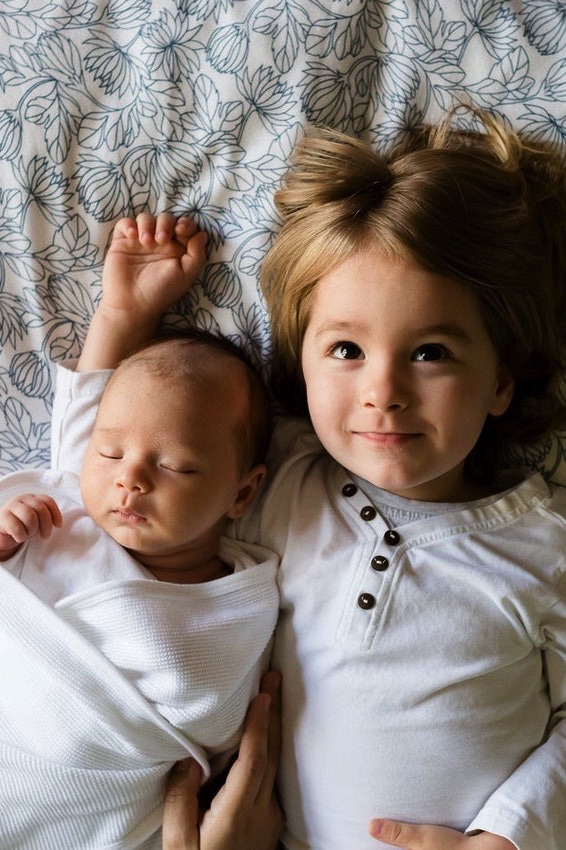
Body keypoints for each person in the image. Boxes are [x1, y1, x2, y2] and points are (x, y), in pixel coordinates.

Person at [50, 107, 566, 850]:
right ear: (302, 363)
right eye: (347, 351)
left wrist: (512, 834)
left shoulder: (542, 544)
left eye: (430, 353)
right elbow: (109, 468)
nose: (383, 392)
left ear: (500, 382)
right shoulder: (277, 480)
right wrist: (122, 318)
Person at [0, 218, 279, 850]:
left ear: (242, 493)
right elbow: (94, 401)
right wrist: (125, 309)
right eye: (109, 453)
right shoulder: (70, 506)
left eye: (175, 465)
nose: (129, 479)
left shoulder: (239, 602)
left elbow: (215, 718)